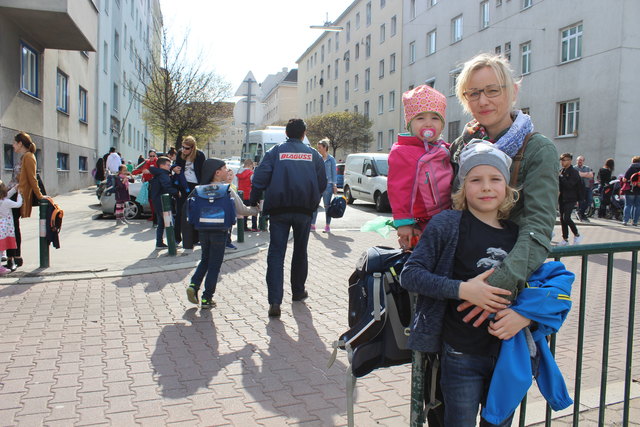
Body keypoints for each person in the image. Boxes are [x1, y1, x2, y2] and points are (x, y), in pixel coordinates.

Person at [401, 141, 522, 426]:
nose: (486, 187)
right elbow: (411, 274)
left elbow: (539, 286)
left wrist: (525, 317)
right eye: (475, 180)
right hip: (460, 354)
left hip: (507, 355)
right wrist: (462, 289)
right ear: (462, 188)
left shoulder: (518, 235)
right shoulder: (447, 224)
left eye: (495, 179)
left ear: (506, 187)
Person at [449, 52, 558, 304]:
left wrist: (496, 287)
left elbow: (538, 227)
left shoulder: (537, 150)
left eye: (492, 90)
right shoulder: (461, 145)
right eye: (473, 93)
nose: (483, 101)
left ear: (513, 91)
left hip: (507, 286)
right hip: (462, 280)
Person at [249, 118, 327, 318]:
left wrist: (254, 200)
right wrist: (311, 200)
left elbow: (259, 179)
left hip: (279, 211)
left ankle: (275, 300)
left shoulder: (275, 152)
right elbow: (322, 183)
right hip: (303, 211)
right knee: (300, 252)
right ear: (303, 134)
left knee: (276, 254)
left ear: (286, 133)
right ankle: (298, 292)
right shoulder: (314, 155)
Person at [186, 159, 259, 309]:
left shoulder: (199, 189)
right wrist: (257, 210)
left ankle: (193, 285)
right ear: (217, 173)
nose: (228, 171)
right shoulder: (226, 189)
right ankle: (207, 298)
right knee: (215, 264)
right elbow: (242, 210)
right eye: (225, 168)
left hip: (203, 230)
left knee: (205, 259)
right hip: (220, 231)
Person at [388, 84, 452, 249]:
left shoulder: (443, 148)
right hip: (420, 222)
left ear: (442, 124)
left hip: (445, 216)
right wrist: (404, 222)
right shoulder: (403, 152)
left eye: (435, 118)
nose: (428, 123)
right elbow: (399, 189)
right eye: (420, 118)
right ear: (409, 124)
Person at [6, 132, 45, 271]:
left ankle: (15, 257)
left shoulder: (28, 157)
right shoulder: (23, 157)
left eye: (15, 143)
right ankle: (12, 257)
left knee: (12, 226)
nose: (13, 145)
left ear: (20, 143)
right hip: (11, 194)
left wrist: (40, 196)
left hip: (17, 196)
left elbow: (32, 179)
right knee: (10, 226)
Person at [173, 136, 206, 247]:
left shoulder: (200, 155)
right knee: (180, 213)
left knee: (195, 212)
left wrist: (202, 187)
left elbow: (203, 172)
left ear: (192, 148)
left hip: (195, 186)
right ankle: (176, 238)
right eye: (182, 147)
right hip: (183, 186)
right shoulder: (180, 154)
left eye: (187, 148)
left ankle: (195, 239)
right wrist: (174, 168)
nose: (184, 150)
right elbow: (176, 167)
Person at [149, 156, 178, 249]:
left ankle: (159, 242)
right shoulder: (163, 175)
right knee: (170, 223)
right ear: (162, 165)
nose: (170, 167)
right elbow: (167, 187)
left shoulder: (158, 174)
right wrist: (177, 192)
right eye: (168, 165)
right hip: (163, 203)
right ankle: (172, 244)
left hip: (157, 202)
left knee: (161, 223)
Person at [311, 139, 338, 233]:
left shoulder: (331, 159)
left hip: (328, 186)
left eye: (319, 147)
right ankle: (312, 225)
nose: (318, 149)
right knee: (315, 205)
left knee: (327, 207)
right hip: (318, 186)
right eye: (317, 147)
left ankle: (327, 226)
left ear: (325, 148)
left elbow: (334, 172)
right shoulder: (317, 158)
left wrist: (334, 185)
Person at [558, 153, 583, 246]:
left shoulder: (574, 172)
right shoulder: (561, 171)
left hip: (571, 198)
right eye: (561, 160)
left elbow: (570, 185)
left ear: (569, 161)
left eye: (564, 160)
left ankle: (577, 234)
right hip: (562, 198)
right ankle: (565, 239)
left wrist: (561, 177)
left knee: (567, 218)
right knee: (562, 219)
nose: (562, 162)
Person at [0, 182, 23, 274]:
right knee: (1, 248)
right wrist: (20, 195)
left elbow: (7, 196)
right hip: (6, 228)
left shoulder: (3, 200)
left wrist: (14, 189)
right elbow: (18, 204)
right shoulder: (7, 202)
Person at [236, 159, 258, 232]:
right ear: (250, 165)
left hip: (241, 195)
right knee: (254, 209)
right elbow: (254, 183)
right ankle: (254, 227)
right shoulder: (250, 173)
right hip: (249, 194)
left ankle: (244, 226)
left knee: (244, 211)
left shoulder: (239, 173)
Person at [621, 156, 640, 226]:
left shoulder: (631, 168)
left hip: (630, 189)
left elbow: (625, 179)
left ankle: (625, 221)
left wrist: (623, 179)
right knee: (637, 206)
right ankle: (635, 222)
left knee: (628, 205)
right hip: (639, 190)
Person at [575, 155, 594, 222]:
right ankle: (582, 214)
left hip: (587, 186)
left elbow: (591, 175)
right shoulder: (574, 168)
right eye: (578, 160)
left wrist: (582, 174)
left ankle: (580, 212)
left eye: (581, 160)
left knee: (590, 200)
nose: (580, 161)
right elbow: (577, 175)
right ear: (576, 161)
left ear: (583, 161)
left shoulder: (587, 167)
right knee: (581, 201)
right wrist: (586, 174)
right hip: (579, 187)